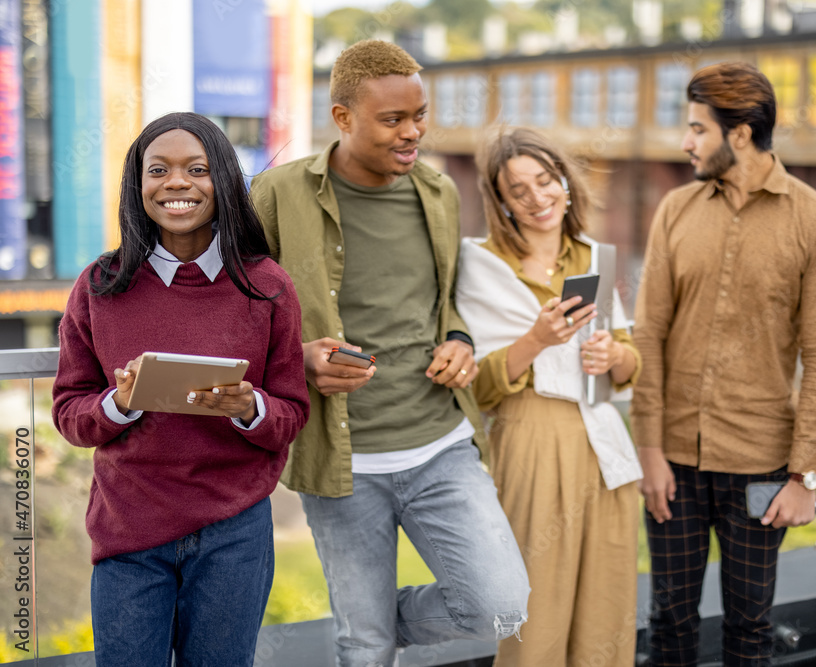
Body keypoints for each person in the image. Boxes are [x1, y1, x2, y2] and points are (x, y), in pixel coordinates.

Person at [249, 40, 529, 667]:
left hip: (442, 445)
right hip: (341, 463)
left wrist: (460, 340)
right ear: (343, 118)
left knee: (499, 607)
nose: (414, 133)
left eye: (420, 115)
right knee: (365, 649)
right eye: (393, 120)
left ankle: (369, 619)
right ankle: (365, 627)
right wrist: (296, 358)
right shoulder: (278, 194)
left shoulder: (439, 193)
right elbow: (231, 313)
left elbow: (446, 301)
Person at [51, 111, 310, 666]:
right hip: (129, 530)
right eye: (158, 170)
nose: (176, 183)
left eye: (196, 169)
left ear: (222, 180)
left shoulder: (267, 285)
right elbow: (70, 413)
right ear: (136, 184)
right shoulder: (100, 284)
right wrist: (120, 403)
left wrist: (249, 407)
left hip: (233, 532)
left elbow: (291, 413)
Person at [631, 61, 816, 666]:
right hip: (673, 457)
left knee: (750, 629)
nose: (685, 142)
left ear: (742, 134)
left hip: (760, 464)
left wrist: (805, 476)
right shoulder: (675, 211)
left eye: (698, 129)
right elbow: (648, 335)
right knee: (668, 622)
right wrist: (648, 450)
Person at [456, 126, 644, 667]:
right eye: (519, 190)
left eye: (545, 180)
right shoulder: (480, 266)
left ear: (564, 182)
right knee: (535, 608)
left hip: (604, 445)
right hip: (529, 439)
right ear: (502, 203)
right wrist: (537, 339)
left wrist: (614, 358)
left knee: (607, 608)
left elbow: (632, 361)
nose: (537, 197)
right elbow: (480, 385)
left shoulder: (593, 257)